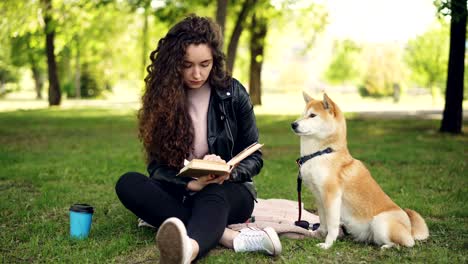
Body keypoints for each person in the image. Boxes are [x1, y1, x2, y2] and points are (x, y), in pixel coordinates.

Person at [115, 15, 282, 264]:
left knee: (212, 193)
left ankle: (190, 249)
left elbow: (254, 156)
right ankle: (227, 237)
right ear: (174, 64)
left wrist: (229, 173)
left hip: (230, 190)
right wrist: (190, 184)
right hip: (183, 190)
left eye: (205, 64)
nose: (197, 74)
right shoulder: (162, 98)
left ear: (214, 60)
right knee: (128, 183)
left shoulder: (233, 93)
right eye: (187, 65)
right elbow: (156, 168)